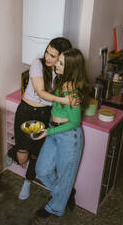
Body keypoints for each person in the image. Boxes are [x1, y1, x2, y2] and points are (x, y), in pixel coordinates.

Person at [7, 37, 74, 201]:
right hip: (26, 111)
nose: (48, 58)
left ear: (62, 58)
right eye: (47, 52)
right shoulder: (38, 64)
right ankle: (13, 152)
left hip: (44, 115)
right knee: (23, 155)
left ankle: (27, 182)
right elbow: (40, 92)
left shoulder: (62, 71)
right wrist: (63, 100)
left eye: (53, 56)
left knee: (36, 155)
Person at [33, 48, 90, 218]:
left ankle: (56, 208)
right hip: (54, 130)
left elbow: (74, 122)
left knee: (65, 175)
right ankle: (66, 192)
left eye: (61, 63)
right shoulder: (62, 81)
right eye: (58, 60)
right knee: (42, 170)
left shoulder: (71, 90)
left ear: (71, 68)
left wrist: (50, 130)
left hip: (69, 136)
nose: (56, 64)